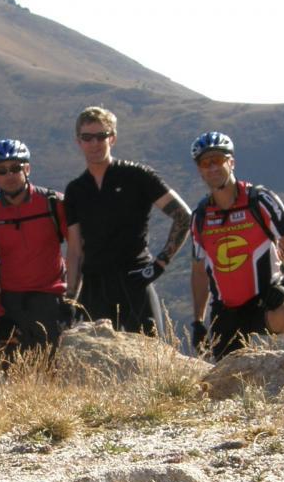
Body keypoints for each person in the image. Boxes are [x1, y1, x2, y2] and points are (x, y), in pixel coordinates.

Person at [188, 131, 284, 359]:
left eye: (218, 160)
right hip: (225, 310)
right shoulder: (200, 216)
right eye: (205, 163)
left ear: (231, 162)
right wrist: (198, 321)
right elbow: (199, 272)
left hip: (265, 298)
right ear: (200, 170)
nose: (212, 168)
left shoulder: (260, 200)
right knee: (228, 386)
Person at [64, 106, 191, 335]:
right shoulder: (75, 190)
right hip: (95, 287)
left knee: (151, 360)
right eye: (87, 137)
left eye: (101, 136)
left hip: (135, 279)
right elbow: (74, 250)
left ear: (112, 138)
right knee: (96, 366)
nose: (94, 143)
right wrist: (70, 300)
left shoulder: (137, 176)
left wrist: (160, 264)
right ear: (79, 142)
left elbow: (183, 216)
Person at [0, 139, 73, 365]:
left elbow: (78, 250)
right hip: (12, 306)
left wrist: (72, 298)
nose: (9, 175)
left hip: (52, 301)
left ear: (27, 169)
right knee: (17, 379)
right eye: (2, 170)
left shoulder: (54, 203)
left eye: (16, 168)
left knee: (58, 373)